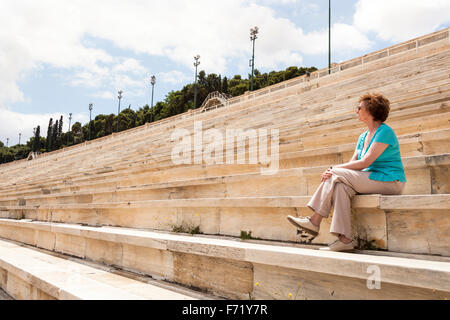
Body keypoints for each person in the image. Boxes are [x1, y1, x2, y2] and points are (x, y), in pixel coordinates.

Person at [287, 93, 406, 252]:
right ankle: (345, 239)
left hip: (390, 181)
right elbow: (352, 164)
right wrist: (334, 170)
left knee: (336, 175)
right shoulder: (363, 137)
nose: (356, 111)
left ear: (370, 111)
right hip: (370, 178)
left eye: (359, 108)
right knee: (340, 187)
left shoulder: (385, 132)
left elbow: (365, 162)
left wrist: (333, 170)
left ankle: (314, 221)